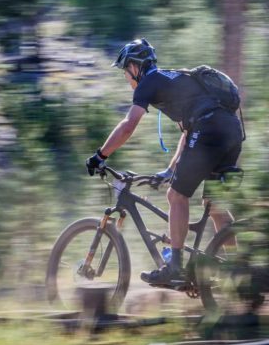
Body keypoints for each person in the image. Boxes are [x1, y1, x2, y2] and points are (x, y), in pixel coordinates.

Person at [86, 38, 244, 286]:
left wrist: (100, 156)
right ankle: (237, 268)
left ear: (135, 67)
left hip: (209, 128)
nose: (126, 77)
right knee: (214, 205)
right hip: (232, 131)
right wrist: (170, 170)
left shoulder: (149, 82)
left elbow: (128, 126)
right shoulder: (174, 81)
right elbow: (188, 133)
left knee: (176, 196)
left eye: (125, 70)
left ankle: (175, 267)